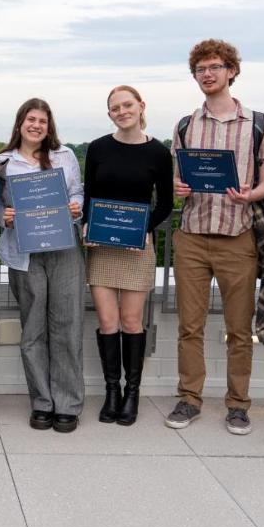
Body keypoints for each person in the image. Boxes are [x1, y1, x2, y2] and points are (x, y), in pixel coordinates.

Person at [165, 39, 264, 435]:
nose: (207, 74)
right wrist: (179, 187)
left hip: (237, 236)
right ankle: (189, 398)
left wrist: (252, 194)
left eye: (215, 67)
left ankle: (238, 404)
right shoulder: (185, 124)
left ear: (231, 71)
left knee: (238, 328)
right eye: (200, 69)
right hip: (192, 235)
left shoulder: (258, 123)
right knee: (189, 326)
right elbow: (179, 177)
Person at [83, 86, 173, 426]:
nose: (122, 111)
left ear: (140, 106)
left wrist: (144, 230)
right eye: (115, 108)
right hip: (103, 247)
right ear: (110, 114)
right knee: (107, 322)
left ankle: (132, 393)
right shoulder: (98, 148)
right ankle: (112, 392)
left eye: (127, 105)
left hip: (138, 248)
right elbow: (90, 195)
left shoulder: (159, 154)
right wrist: (88, 227)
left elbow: (164, 203)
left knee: (132, 321)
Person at [0, 98, 85, 433]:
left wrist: (75, 206)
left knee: (67, 326)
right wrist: (3, 217)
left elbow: (78, 193)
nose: (36, 126)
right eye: (30, 119)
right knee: (33, 330)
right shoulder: (2, 163)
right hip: (24, 253)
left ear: (50, 126)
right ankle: (42, 402)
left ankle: (68, 404)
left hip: (64, 249)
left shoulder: (65, 156)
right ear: (20, 123)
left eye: (42, 121)